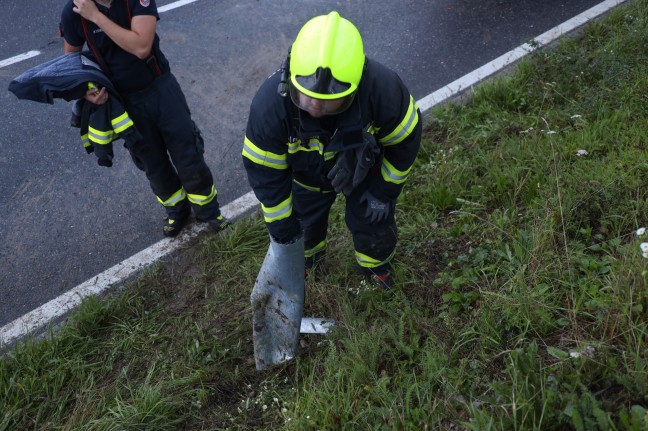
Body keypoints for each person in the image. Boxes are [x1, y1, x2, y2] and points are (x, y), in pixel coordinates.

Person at [242, 11, 422, 288]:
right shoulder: (270, 108)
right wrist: (283, 230)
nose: (315, 108)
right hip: (306, 178)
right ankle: (306, 266)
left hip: (366, 173)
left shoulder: (384, 91)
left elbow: (405, 143)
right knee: (304, 227)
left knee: (373, 220)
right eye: (307, 97)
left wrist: (383, 191)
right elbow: (265, 174)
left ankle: (376, 270)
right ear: (291, 75)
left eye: (329, 102)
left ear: (355, 88)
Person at [59, 0, 230, 237]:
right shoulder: (74, 11)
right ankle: (176, 211)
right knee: (152, 162)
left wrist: (97, 17)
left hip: (159, 88)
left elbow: (141, 46)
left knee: (187, 151)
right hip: (124, 101)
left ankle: (209, 212)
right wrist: (87, 91)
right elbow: (71, 62)